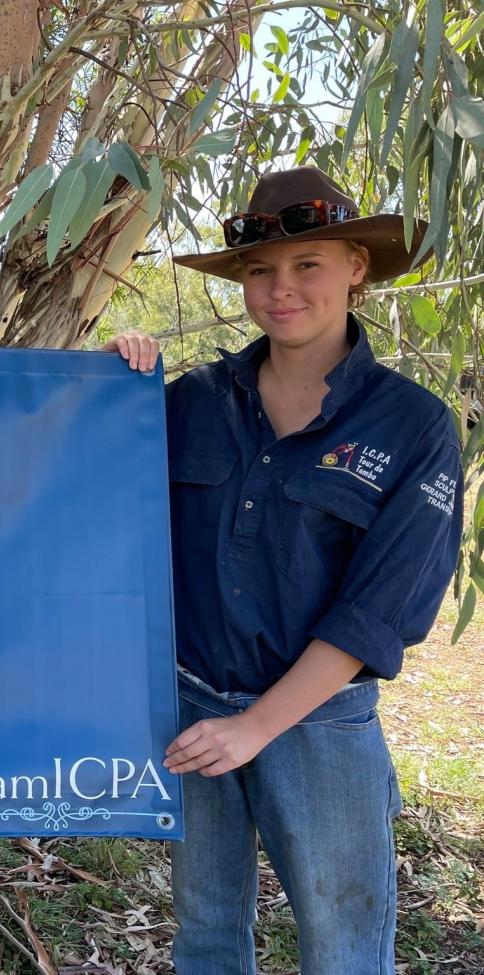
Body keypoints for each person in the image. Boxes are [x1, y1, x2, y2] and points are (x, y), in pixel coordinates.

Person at [111, 166, 463, 973]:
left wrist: (255, 726)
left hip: (320, 725)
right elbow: (97, 502)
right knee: (204, 939)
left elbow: (377, 609)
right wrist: (108, 385)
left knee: (343, 948)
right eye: (260, 270)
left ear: (357, 267)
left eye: (308, 264)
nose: (281, 289)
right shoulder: (189, 399)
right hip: (195, 706)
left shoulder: (412, 425)